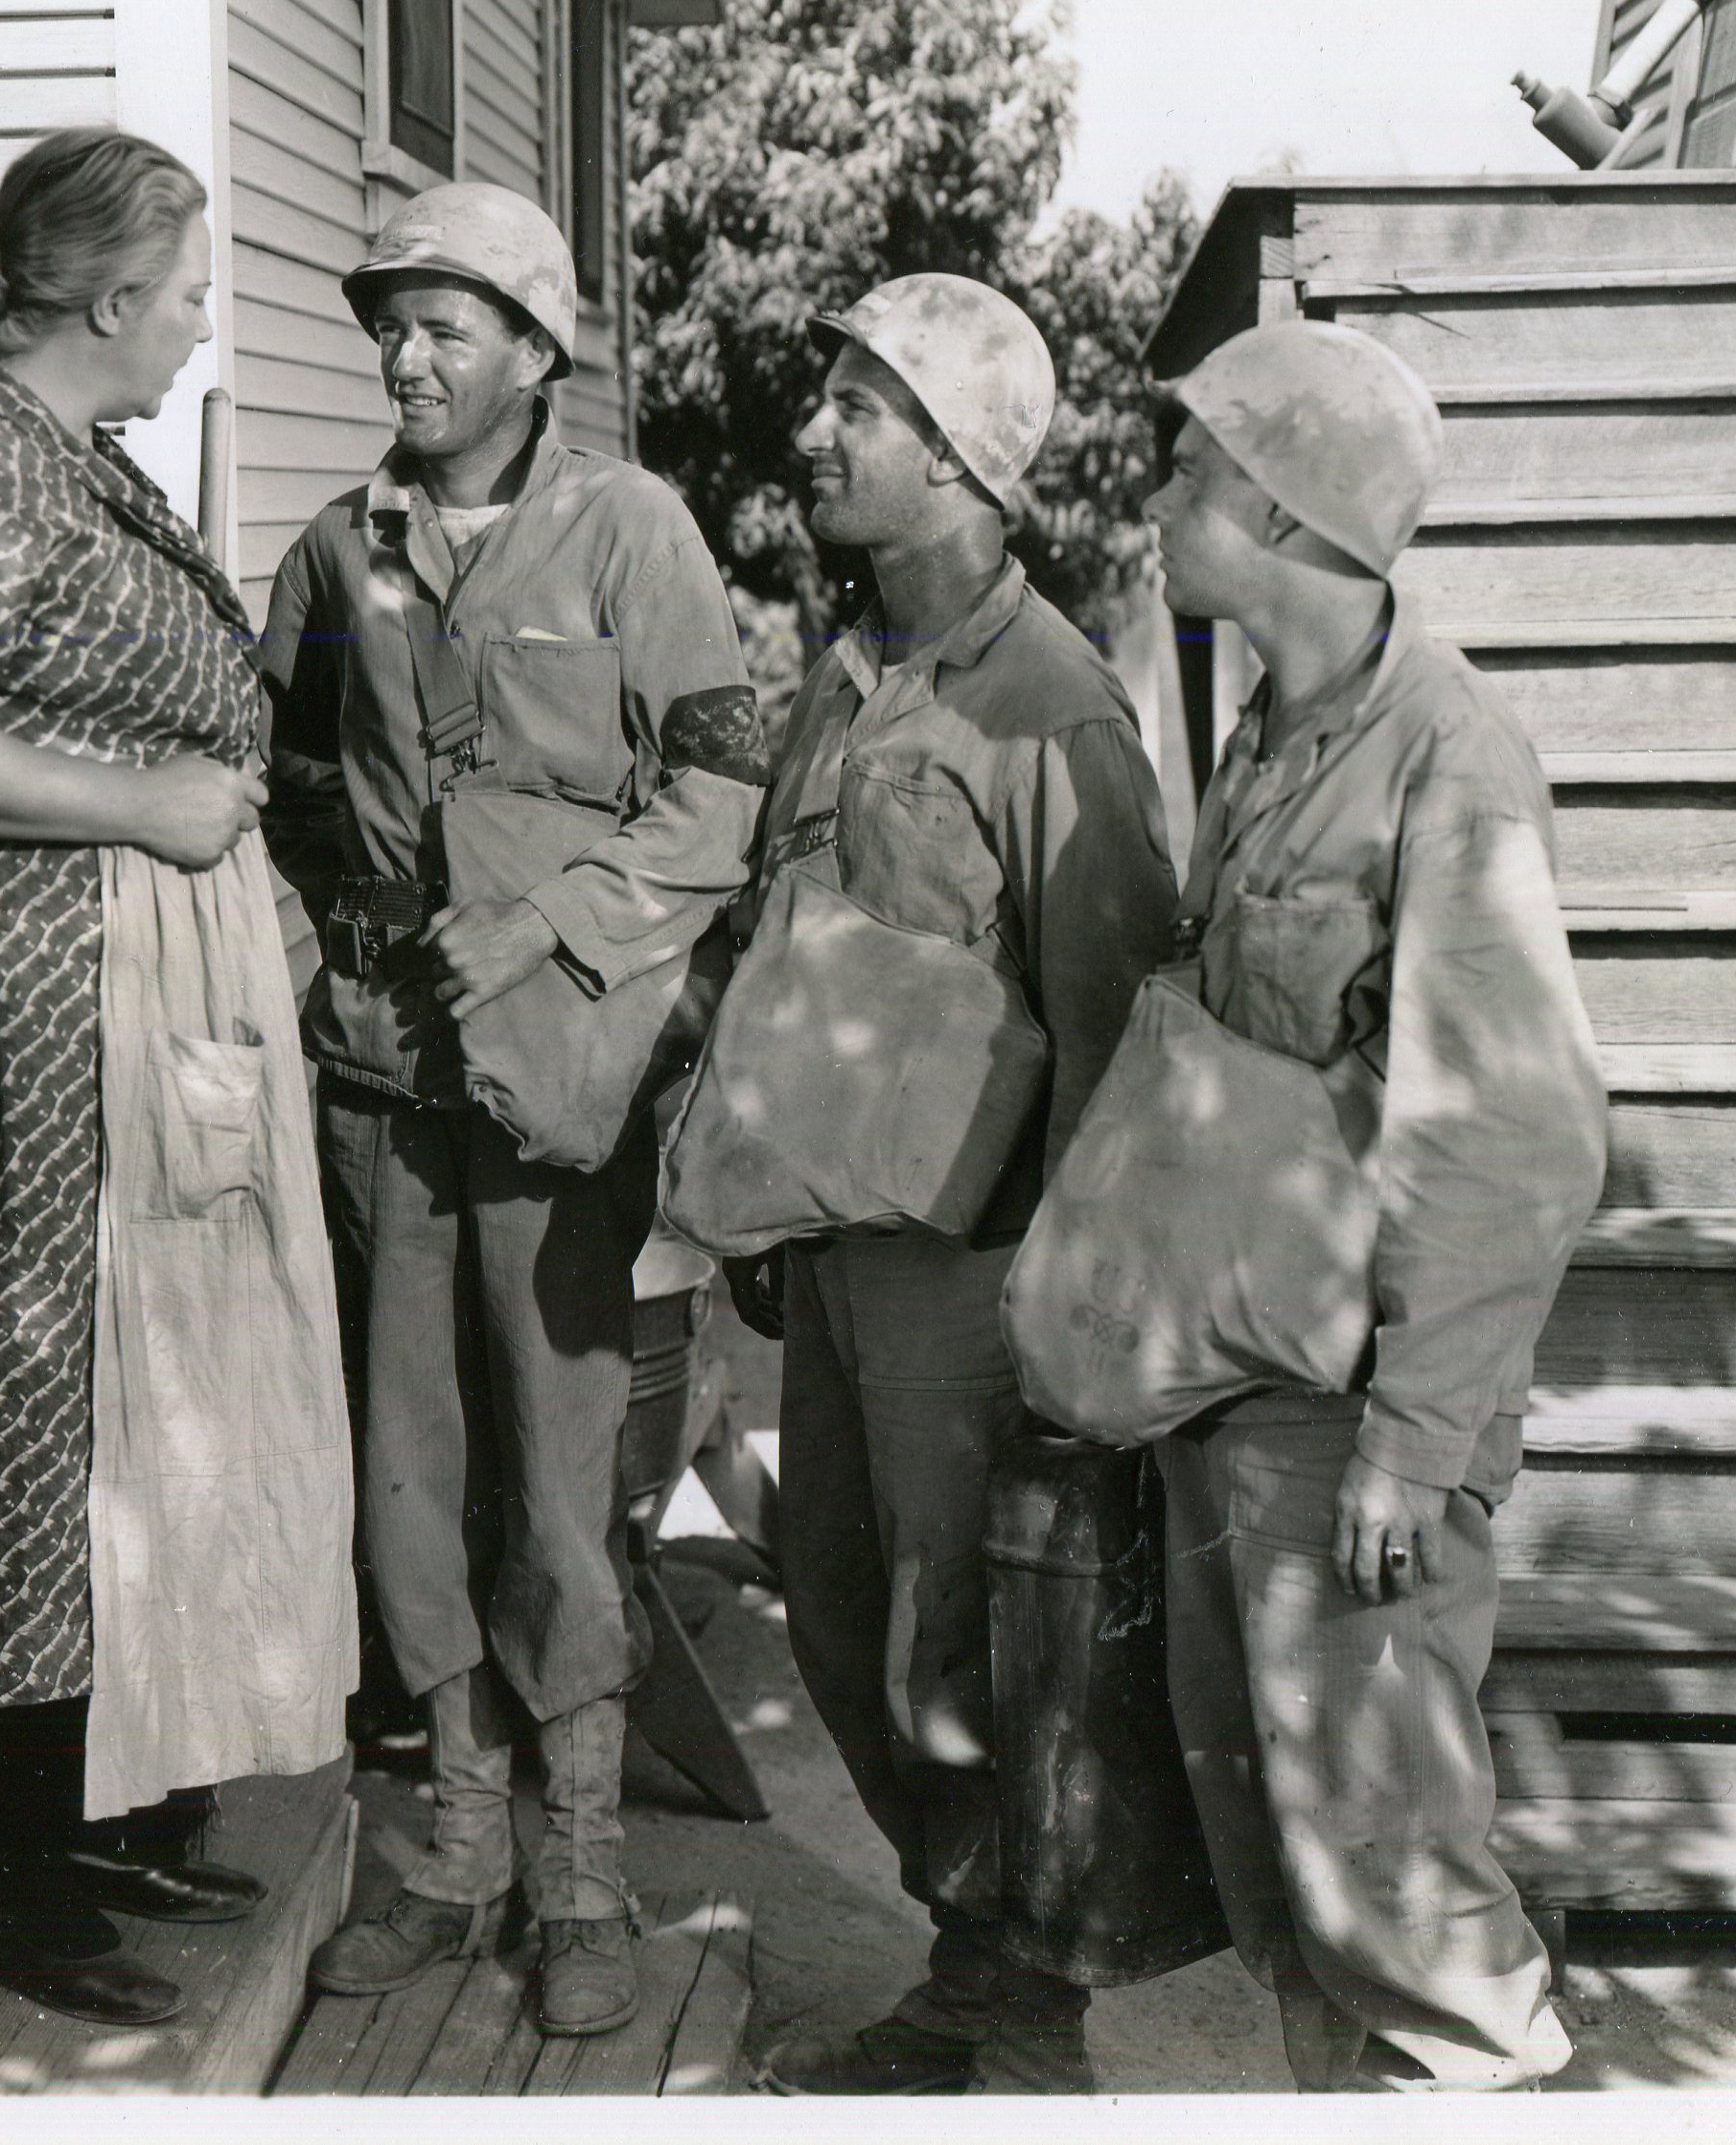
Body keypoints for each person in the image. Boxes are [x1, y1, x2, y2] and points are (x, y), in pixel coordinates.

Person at [0, 127, 356, 2029]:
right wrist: (145, 805)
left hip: (128, 993)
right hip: (25, 1012)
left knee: (147, 1403)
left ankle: (93, 1805)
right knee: (30, 1396)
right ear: (112, 299)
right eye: (193, 294)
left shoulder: (68, 470)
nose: (204, 329)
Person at [258, 182, 765, 2037]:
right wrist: (334, 956)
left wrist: (546, 926)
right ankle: (462, 1845)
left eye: (443, 324)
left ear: (538, 348)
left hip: (563, 1077)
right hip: (388, 1077)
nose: (404, 356)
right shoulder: (339, 547)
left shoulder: (632, 528)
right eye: (388, 325)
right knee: (407, 1466)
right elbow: (291, 782)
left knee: (561, 1476)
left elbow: (720, 803)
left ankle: (583, 1871)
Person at [726, 276, 1187, 2095]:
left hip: (972, 1280)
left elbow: (1117, 1036)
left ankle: (1014, 2015)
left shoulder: (1055, 709)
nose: (813, 429)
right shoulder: (848, 674)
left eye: (862, 403)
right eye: (826, 392)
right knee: (838, 1611)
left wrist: (1069, 1319)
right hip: (834, 1251)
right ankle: (969, 1955)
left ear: (967, 459)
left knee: (962, 1647)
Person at [1135, 318, 1607, 2091]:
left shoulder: (1447, 756)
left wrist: (1413, 1446)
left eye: (1190, 468)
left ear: (1271, 502)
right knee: (1282, 1847)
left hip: (1360, 1423)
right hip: (1252, 1368)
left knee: (1399, 1882)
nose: (1161, 497)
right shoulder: (1274, 726)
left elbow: (1517, 1134)